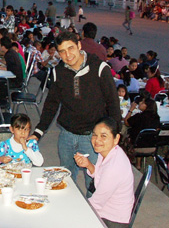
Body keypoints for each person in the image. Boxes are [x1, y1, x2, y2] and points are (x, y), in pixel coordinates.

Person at [28, 31, 120, 190]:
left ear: (79, 46)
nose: (67, 55)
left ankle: (94, 214)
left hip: (92, 138)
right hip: (67, 136)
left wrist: (114, 137)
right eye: (62, 51)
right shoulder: (58, 72)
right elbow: (51, 104)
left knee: (94, 184)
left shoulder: (99, 69)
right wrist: (38, 132)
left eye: (71, 48)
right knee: (66, 180)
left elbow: (113, 104)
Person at [74, 117, 134, 227]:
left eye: (103, 136)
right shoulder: (109, 152)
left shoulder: (115, 167)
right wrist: (88, 165)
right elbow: (101, 175)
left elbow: (96, 203)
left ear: (116, 139)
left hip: (112, 219)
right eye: (94, 135)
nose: (97, 140)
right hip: (107, 210)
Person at [124, 97, 160, 167]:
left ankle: (134, 163)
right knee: (142, 137)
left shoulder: (139, 117)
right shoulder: (156, 117)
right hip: (152, 145)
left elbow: (126, 122)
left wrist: (131, 109)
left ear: (146, 106)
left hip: (137, 146)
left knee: (128, 136)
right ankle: (138, 163)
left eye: (143, 102)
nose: (140, 103)